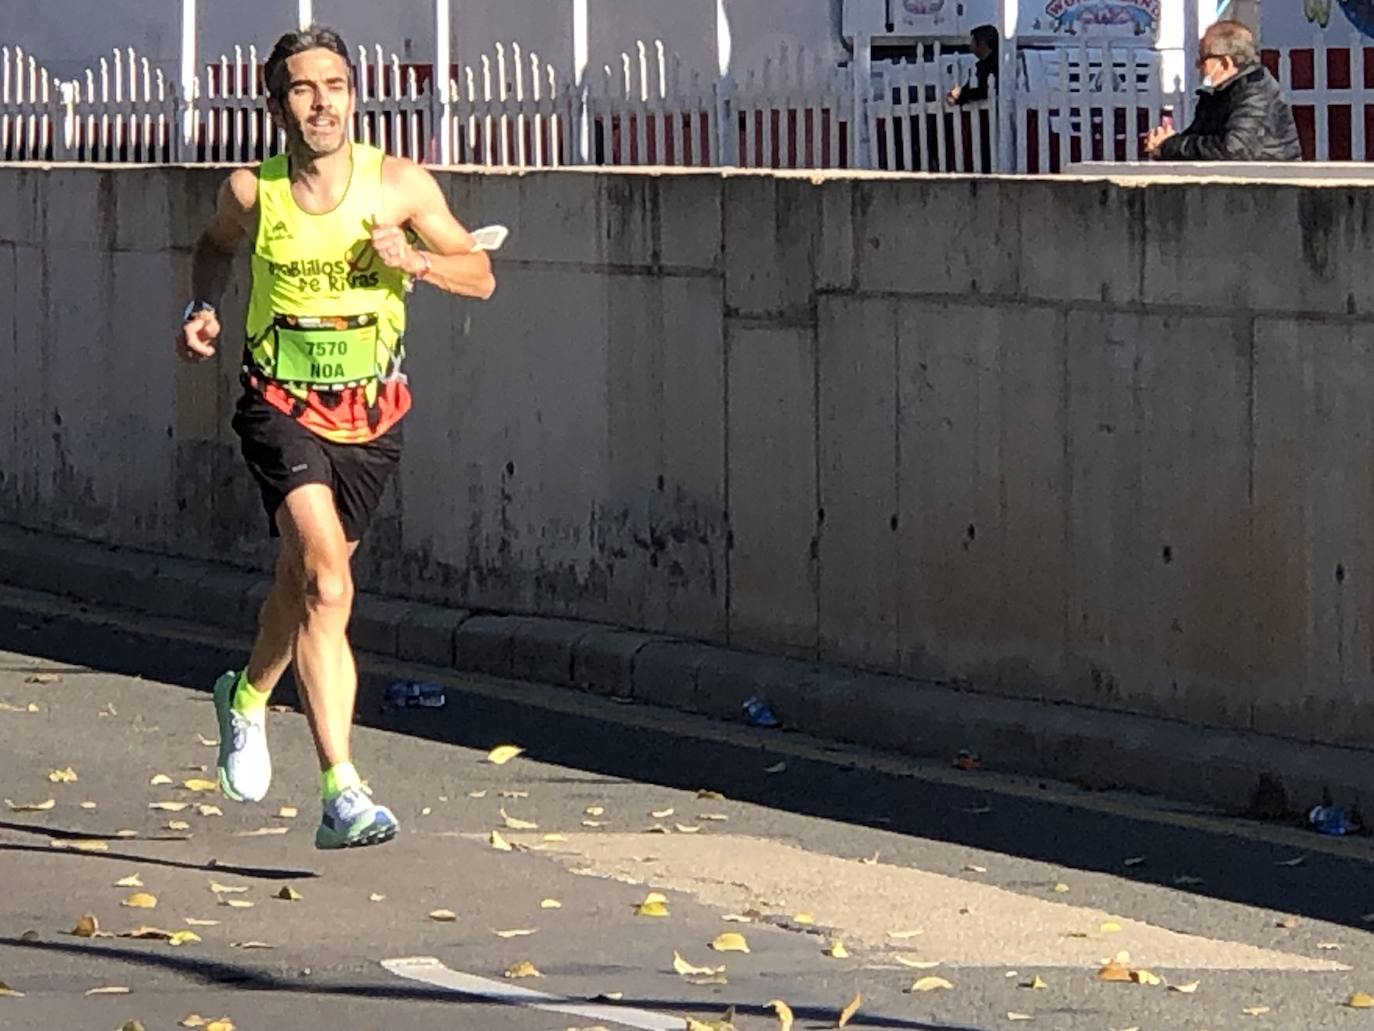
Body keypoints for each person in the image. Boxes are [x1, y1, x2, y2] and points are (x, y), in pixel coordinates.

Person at [175, 25, 496, 849]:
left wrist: (417, 261)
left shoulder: (397, 185)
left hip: (371, 417)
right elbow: (212, 251)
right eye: (304, 89)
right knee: (329, 583)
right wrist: (200, 309)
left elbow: (481, 275)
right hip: (278, 403)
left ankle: (245, 698)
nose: (323, 103)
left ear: (356, 95)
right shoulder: (254, 191)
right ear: (276, 103)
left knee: (305, 584)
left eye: (337, 86)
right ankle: (340, 789)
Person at [1145, 20, 1300, 161]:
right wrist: (1163, 144)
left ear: (1225, 63)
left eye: (1203, 58)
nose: (1198, 65)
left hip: (1270, 186)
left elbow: (1232, 150)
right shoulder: (1217, 95)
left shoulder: (1257, 92)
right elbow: (1199, 140)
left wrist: (1170, 146)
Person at [946, 25, 999, 107]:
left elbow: (982, 90)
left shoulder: (992, 66)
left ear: (981, 43)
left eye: (973, 41)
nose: (970, 46)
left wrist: (960, 95)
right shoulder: (982, 65)